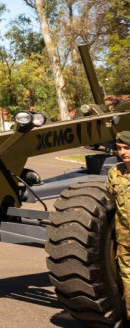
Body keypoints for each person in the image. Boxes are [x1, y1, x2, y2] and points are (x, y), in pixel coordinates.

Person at [106, 130, 130, 316]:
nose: (123, 152)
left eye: (127, 148)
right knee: (127, 279)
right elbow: (111, 200)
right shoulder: (115, 173)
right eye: (119, 148)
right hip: (125, 239)